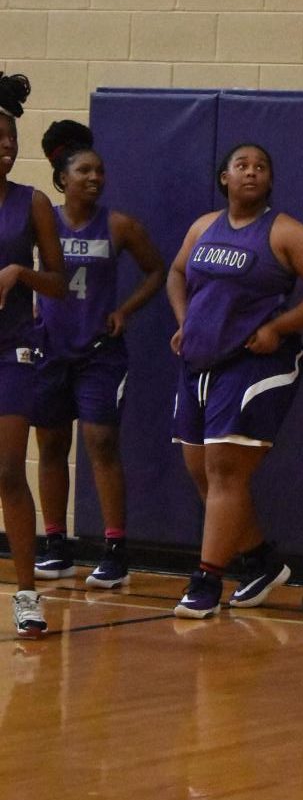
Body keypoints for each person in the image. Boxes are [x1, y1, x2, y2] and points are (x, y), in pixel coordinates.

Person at [167, 143, 303, 619]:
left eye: (260, 167)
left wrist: (279, 327)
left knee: (225, 471)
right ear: (224, 177)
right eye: (241, 165)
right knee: (203, 472)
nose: (251, 172)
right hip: (198, 362)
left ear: (269, 180)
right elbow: (176, 273)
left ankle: (206, 579)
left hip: (253, 364)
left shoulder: (284, 232)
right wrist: (185, 321)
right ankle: (262, 561)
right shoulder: (203, 227)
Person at [33, 120, 166, 590]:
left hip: (98, 353)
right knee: (50, 445)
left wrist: (125, 310)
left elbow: (156, 271)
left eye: (100, 171)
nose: (95, 178)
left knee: (101, 444)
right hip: (49, 348)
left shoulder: (120, 225)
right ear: (63, 179)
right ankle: (55, 543)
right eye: (85, 171)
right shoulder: (41, 218)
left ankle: (114, 549)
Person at [0, 73, 67, 637]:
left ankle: (26, 593)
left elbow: (59, 283)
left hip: (13, 346)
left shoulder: (34, 203)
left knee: (7, 468)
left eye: (10, 142)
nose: (5, 149)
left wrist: (21, 273)